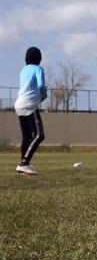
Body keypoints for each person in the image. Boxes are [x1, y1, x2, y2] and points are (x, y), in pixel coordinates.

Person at [14, 46, 47, 175]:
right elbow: (40, 86)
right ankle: (24, 163)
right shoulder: (39, 69)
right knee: (39, 135)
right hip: (29, 105)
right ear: (39, 58)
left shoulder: (23, 70)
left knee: (27, 137)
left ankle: (23, 164)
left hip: (19, 104)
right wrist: (44, 95)